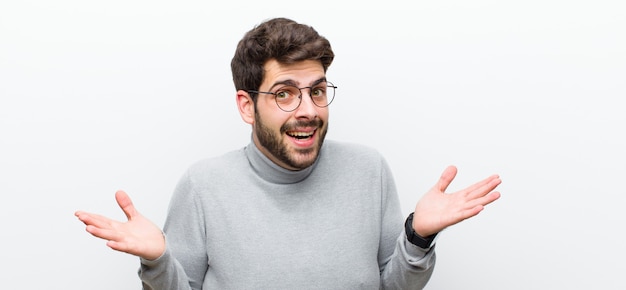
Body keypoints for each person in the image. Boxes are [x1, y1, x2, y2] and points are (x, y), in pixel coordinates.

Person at [75, 17, 502, 289]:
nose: (308, 111)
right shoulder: (203, 185)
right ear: (247, 106)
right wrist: (157, 262)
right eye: (285, 94)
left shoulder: (368, 169)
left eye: (317, 91)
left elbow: (393, 285)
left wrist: (417, 236)